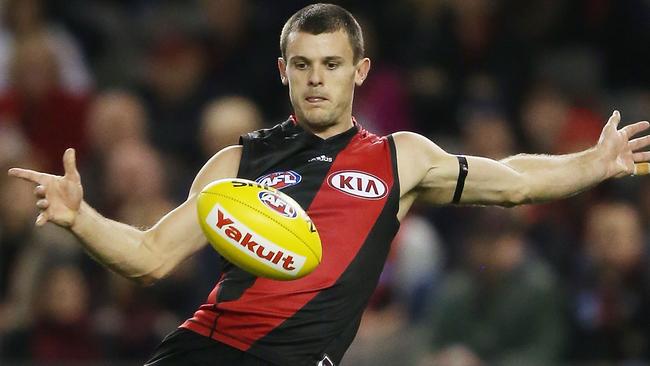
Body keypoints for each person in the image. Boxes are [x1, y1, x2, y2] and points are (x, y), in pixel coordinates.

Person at [7, 4, 650, 366]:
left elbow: (510, 181)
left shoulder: (402, 158)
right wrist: (80, 217)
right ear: (283, 70)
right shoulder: (237, 161)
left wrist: (591, 165)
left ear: (360, 71)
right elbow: (149, 259)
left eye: (333, 64)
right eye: (304, 65)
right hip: (206, 353)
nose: (318, 78)